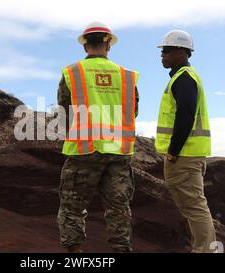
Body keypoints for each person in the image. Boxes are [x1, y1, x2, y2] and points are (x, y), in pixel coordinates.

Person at [57, 22, 139, 253]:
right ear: (108, 45)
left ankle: (74, 254)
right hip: (119, 151)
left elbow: (64, 110)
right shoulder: (127, 76)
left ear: (85, 47)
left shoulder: (72, 73)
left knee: (72, 207)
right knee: (118, 207)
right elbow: (133, 112)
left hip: (84, 150)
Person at [154, 29, 216, 252]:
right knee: (195, 206)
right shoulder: (185, 77)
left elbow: (186, 115)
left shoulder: (185, 78)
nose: (163, 56)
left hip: (184, 155)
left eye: (167, 51)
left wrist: (173, 151)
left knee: (195, 207)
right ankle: (205, 248)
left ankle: (205, 250)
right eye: (162, 52)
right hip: (189, 155)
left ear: (181, 51)